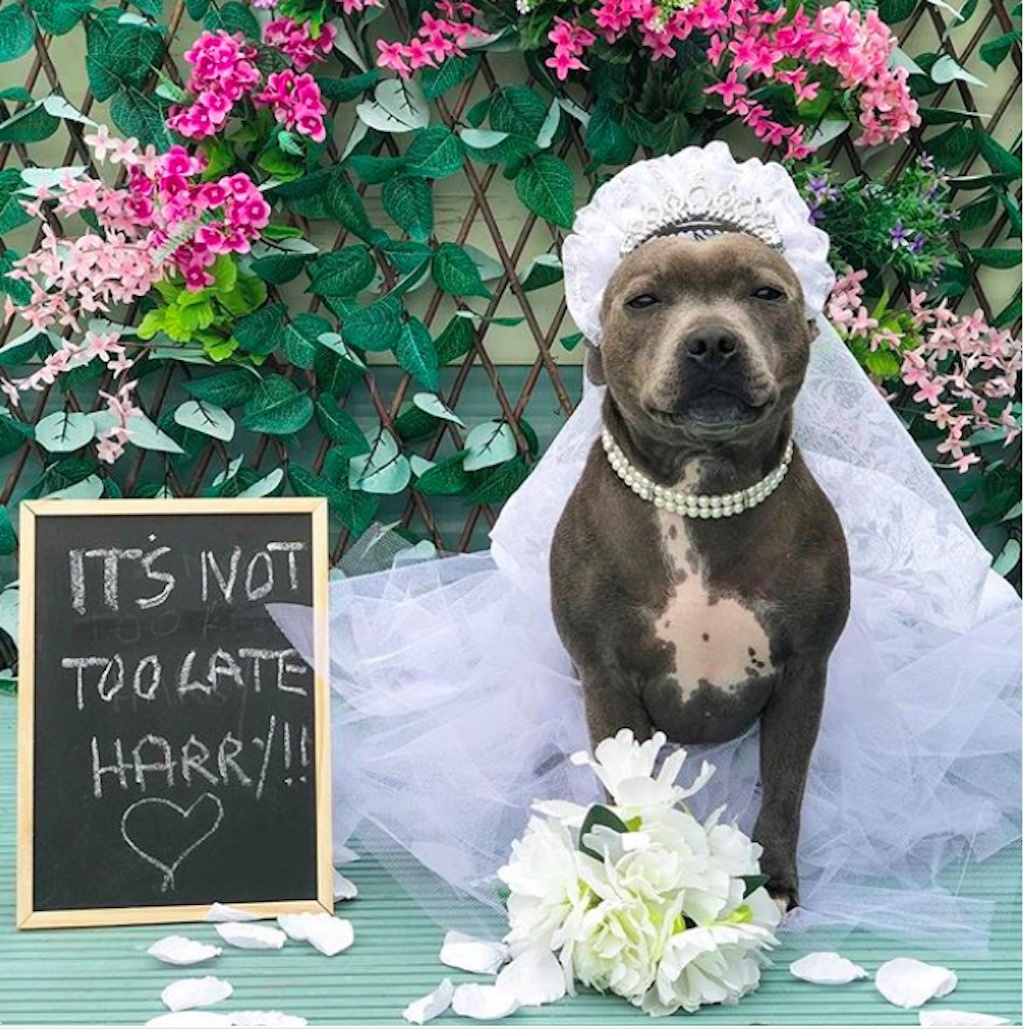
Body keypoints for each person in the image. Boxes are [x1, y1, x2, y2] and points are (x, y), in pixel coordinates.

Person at [274, 142, 1021, 949]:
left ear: (807, 335)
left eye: (761, 294)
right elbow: (602, 679)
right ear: (597, 351)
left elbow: (806, 675)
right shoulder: (590, 543)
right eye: (648, 302)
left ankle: (776, 848)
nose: (710, 333)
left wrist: (776, 851)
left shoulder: (812, 541)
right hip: (611, 745)